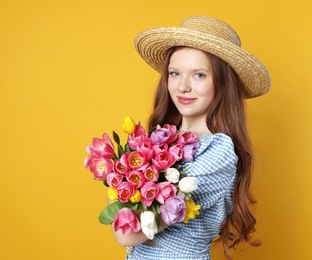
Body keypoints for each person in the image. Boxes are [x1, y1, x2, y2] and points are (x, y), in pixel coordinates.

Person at [110, 16, 271, 259]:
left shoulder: (219, 153)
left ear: (223, 83)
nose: (183, 87)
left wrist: (118, 175)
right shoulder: (159, 140)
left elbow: (128, 234)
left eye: (199, 75)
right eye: (175, 73)